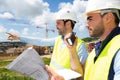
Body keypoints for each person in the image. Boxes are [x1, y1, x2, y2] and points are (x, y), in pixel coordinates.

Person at [45, 0, 120, 80]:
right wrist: (72, 50)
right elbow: (82, 77)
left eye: (90, 19)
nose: (86, 25)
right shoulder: (95, 52)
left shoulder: (118, 50)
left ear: (108, 18)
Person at [6, 9, 88, 79]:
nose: (56, 26)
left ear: (68, 23)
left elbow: (82, 75)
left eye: (58, 23)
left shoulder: (80, 45)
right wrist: (19, 37)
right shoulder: (58, 40)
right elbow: (41, 41)